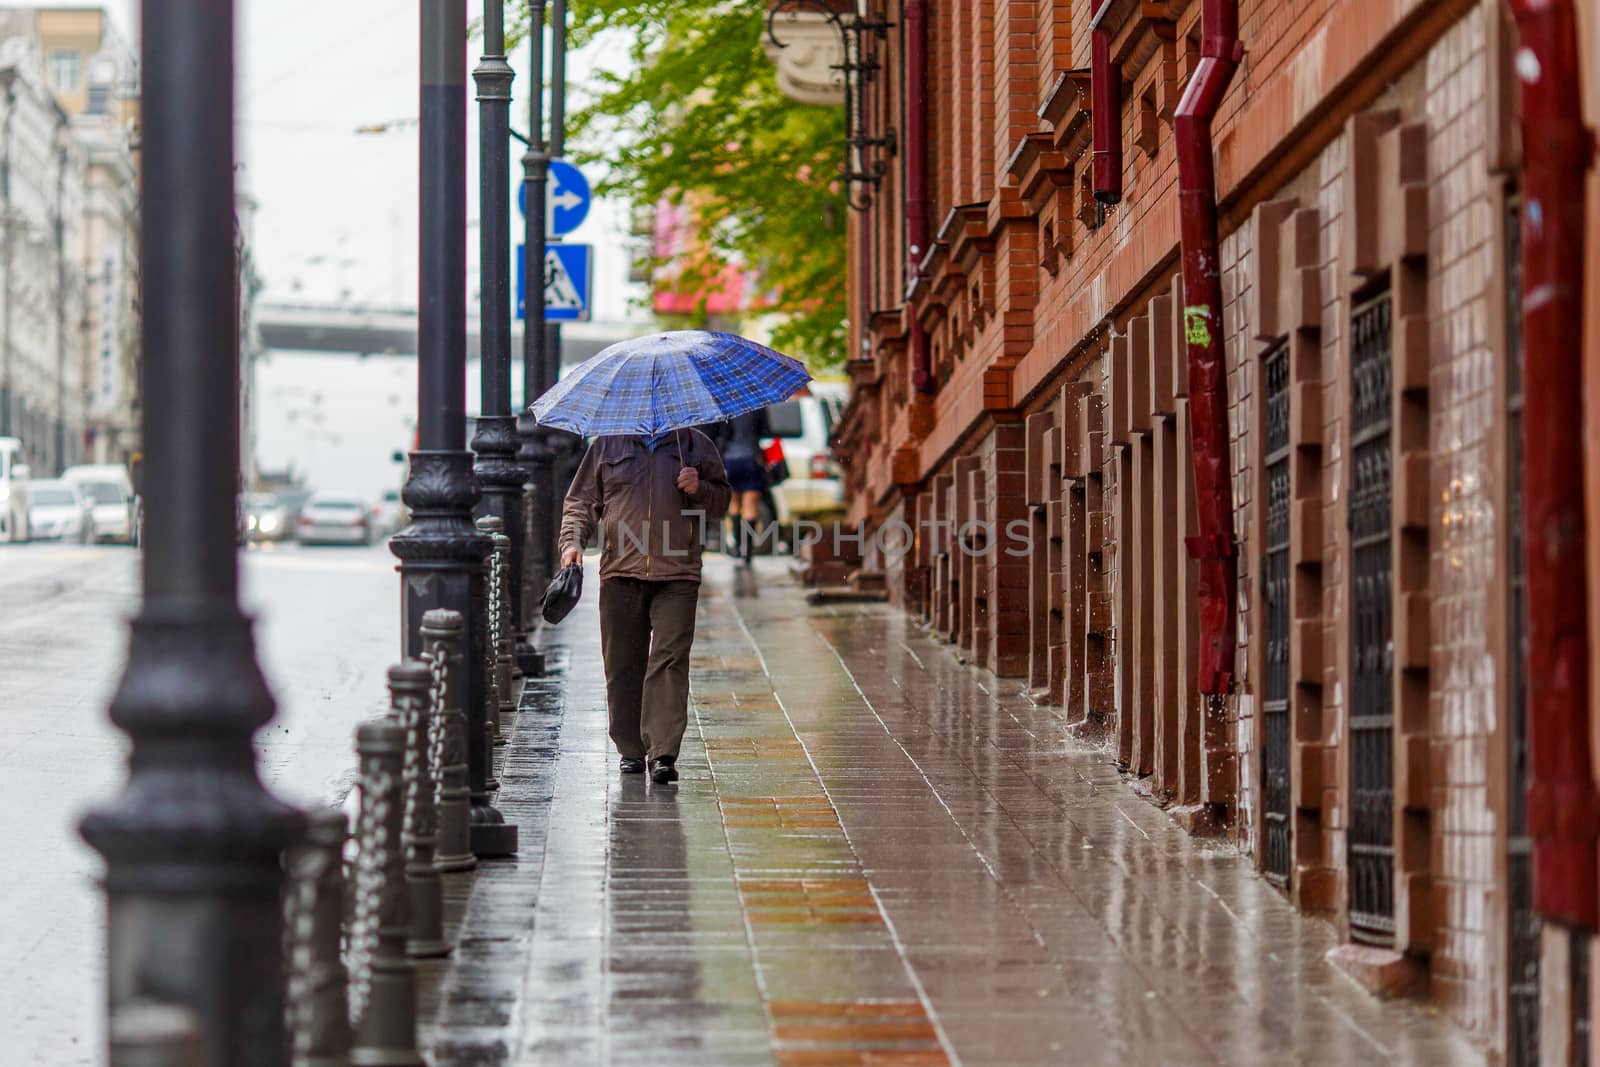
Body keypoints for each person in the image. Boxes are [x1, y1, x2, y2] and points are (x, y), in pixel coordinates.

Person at [559, 427, 732, 784]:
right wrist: (572, 542)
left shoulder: (696, 445)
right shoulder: (607, 444)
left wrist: (700, 487)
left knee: (669, 660)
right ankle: (631, 749)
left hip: (678, 572)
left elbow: (722, 502)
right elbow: (581, 501)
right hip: (621, 570)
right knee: (623, 664)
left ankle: (664, 752)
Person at [712, 407, 771, 565]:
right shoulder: (757, 406)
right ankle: (748, 551)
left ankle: (738, 547)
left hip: (730, 460)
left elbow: (719, 435)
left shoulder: (724, 408)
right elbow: (766, 431)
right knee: (751, 504)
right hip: (751, 457)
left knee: (734, 504)